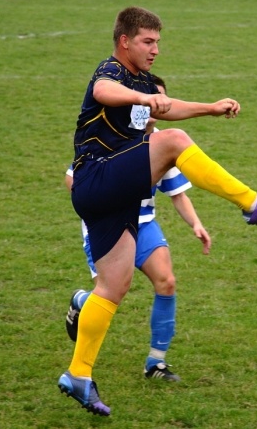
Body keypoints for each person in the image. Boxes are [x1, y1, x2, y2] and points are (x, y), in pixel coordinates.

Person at [57, 6, 257, 417]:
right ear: (125, 41)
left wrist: (210, 107)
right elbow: (102, 91)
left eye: (158, 42)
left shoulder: (142, 81)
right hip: (96, 177)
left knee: (113, 287)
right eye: (147, 42)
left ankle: (78, 374)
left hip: (115, 197)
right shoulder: (112, 70)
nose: (155, 49)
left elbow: (165, 107)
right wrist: (143, 97)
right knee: (172, 141)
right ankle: (252, 203)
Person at [64, 75, 211, 384]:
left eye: (163, 101)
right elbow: (71, 178)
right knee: (111, 295)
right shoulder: (113, 136)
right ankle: (81, 303)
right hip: (106, 225)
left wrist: (196, 223)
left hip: (143, 224)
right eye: (153, 99)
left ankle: (156, 363)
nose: (158, 106)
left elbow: (177, 194)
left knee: (167, 282)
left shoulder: (163, 143)